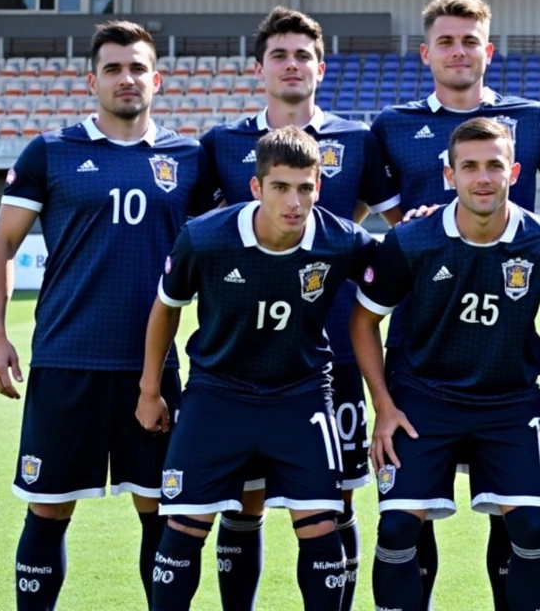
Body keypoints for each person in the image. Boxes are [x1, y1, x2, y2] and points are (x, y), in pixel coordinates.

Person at [0, 20, 213, 610]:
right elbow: (1, 245)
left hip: (152, 369)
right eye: (113, 68)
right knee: (48, 509)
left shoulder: (188, 158)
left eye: (137, 67)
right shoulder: (51, 152)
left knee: (161, 512)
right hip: (66, 362)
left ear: (157, 79)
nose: (126, 78)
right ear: (92, 80)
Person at [371, 0, 540, 606]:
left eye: (470, 41)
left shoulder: (532, 118)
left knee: (511, 513)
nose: (459, 52)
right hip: (419, 345)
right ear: (427, 52)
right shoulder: (391, 126)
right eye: (447, 42)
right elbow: (350, 221)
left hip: (506, 349)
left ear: (489, 49)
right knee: (412, 512)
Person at [350, 118, 540, 611]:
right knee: (398, 528)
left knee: (529, 524)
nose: (482, 178)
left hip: (509, 403)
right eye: (470, 167)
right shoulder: (411, 239)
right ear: (449, 175)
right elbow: (363, 321)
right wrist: (383, 404)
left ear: (515, 171)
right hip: (424, 400)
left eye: (494, 166)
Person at [198, 6, 400, 610]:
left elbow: (398, 230)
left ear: (321, 66)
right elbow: (197, 240)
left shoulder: (359, 139)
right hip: (239, 358)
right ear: (259, 69)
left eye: (302, 55)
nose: (292, 65)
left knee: (335, 498)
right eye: (280, 56)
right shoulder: (222, 143)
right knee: (245, 498)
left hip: (330, 353)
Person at [137, 127, 378, 611]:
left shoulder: (341, 240)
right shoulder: (205, 237)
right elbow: (166, 307)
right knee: (182, 530)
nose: (294, 201)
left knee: (321, 529)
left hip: (301, 397)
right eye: (280, 187)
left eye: (305, 187)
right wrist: (149, 389)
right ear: (255, 187)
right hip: (217, 396)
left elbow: (401, 269)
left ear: (319, 187)